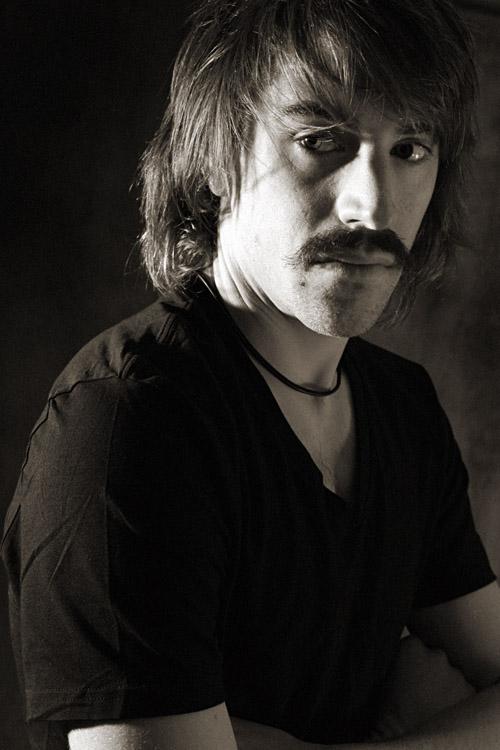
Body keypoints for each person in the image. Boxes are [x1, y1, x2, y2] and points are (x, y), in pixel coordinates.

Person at [2, 1, 500, 748]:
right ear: (214, 160)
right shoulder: (128, 423)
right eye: (320, 141)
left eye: (410, 148)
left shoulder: (402, 408)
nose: (372, 207)